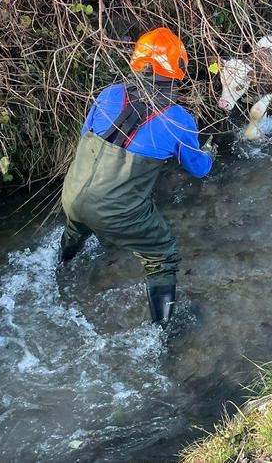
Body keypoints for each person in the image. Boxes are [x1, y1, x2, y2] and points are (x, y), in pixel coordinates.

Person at [59, 28, 215, 324]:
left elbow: (85, 139)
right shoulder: (178, 120)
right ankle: (162, 333)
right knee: (162, 255)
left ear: (137, 62)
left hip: (72, 194)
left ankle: (61, 267)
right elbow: (199, 169)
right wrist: (208, 152)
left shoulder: (109, 94)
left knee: (77, 227)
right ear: (178, 68)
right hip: (115, 212)